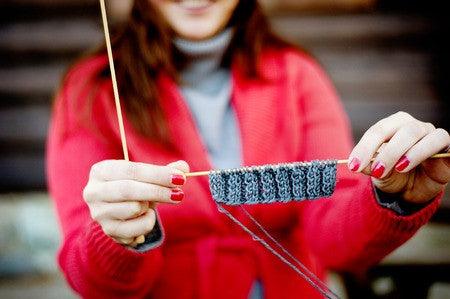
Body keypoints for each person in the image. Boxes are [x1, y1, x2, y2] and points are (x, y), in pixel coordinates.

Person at [46, 0, 450, 298]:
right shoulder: (92, 92)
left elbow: (334, 236)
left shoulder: (298, 76)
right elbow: (92, 281)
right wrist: (120, 238)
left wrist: (392, 196)